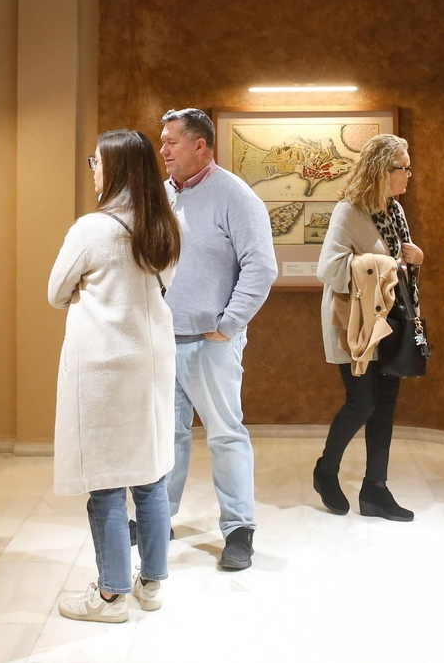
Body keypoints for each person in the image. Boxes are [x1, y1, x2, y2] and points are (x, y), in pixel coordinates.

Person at [48, 130, 183, 622]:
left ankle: (109, 596)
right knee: (150, 476)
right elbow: (163, 282)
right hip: (150, 365)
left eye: (96, 162)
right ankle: (150, 585)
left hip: (103, 369)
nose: (94, 170)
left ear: (118, 168)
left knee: (105, 482)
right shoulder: (167, 225)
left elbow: (56, 291)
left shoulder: (92, 229)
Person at [158, 108, 278, 571]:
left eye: (172, 142)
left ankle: (239, 530)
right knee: (167, 436)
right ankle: (157, 519)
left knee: (226, 436)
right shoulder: (163, 194)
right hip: (164, 340)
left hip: (211, 342)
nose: (164, 150)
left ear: (200, 146)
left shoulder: (235, 196)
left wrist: (228, 324)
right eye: (163, 142)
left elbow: (261, 266)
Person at [313, 133, 422, 522]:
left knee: (386, 406)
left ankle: (376, 489)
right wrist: (385, 264)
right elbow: (329, 269)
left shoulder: (395, 210)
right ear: (381, 170)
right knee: (363, 402)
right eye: (402, 168)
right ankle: (326, 472)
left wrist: (413, 258)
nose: (409, 174)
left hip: (389, 321)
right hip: (354, 324)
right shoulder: (350, 210)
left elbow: (398, 263)